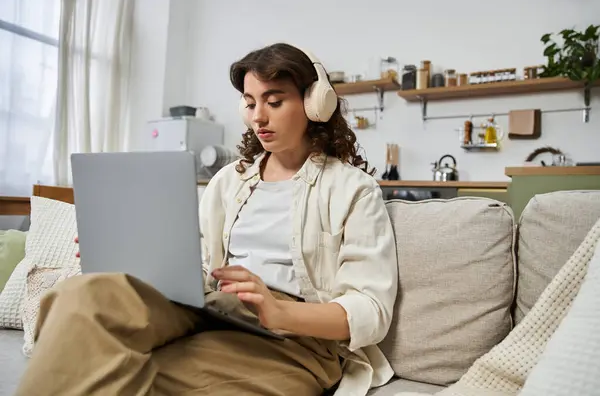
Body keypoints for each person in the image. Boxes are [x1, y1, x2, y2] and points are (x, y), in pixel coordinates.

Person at [16, 43, 398, 396]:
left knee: (130, 374)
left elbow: (370, 309)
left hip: (297, 340)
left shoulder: (353, 190)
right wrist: (129, 259)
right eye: (250, 103)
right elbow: (196, 269)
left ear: (315, 104)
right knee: (80, 295)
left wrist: (278, 310)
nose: (258, 116)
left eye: (274, 101)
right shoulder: (227, 181)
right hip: (214, 308)